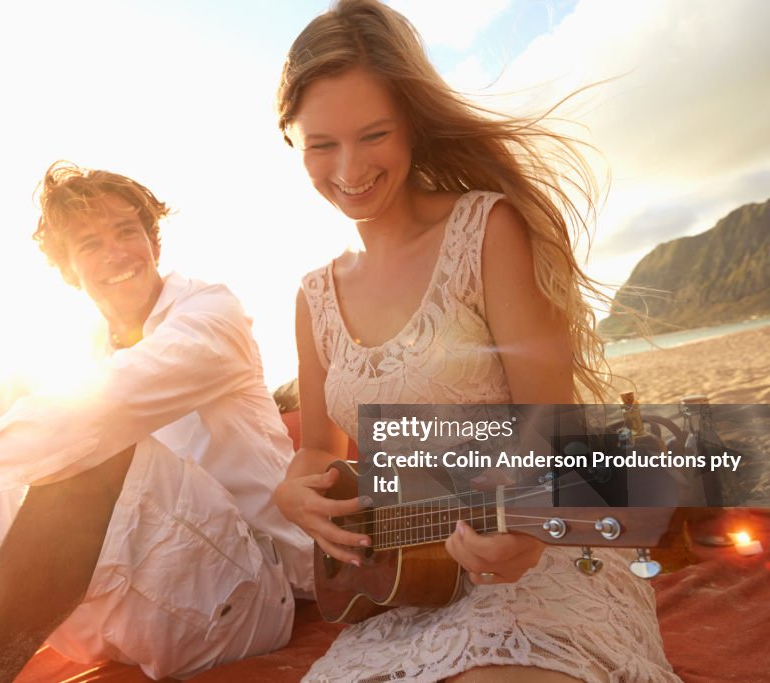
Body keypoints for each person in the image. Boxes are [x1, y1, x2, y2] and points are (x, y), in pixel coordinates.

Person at [271, 2, 680, 681]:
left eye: (374, 134)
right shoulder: (312, 296)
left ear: (412, 124)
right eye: (321, 143)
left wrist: (523, 527)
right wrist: (293, 490)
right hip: (402, 593)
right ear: (292, 138)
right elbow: (320, 449)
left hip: (538, 568)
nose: (349, 168)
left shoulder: (486, 231)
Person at [0, 162, 313, 682]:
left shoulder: (211, 314)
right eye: (89, 244)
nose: (116, 253)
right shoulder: (75, 351)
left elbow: (102, 410)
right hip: (122, 609)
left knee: (77, 448)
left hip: (252, 595)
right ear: (67, 270)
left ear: (153, 240)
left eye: (127, 231)